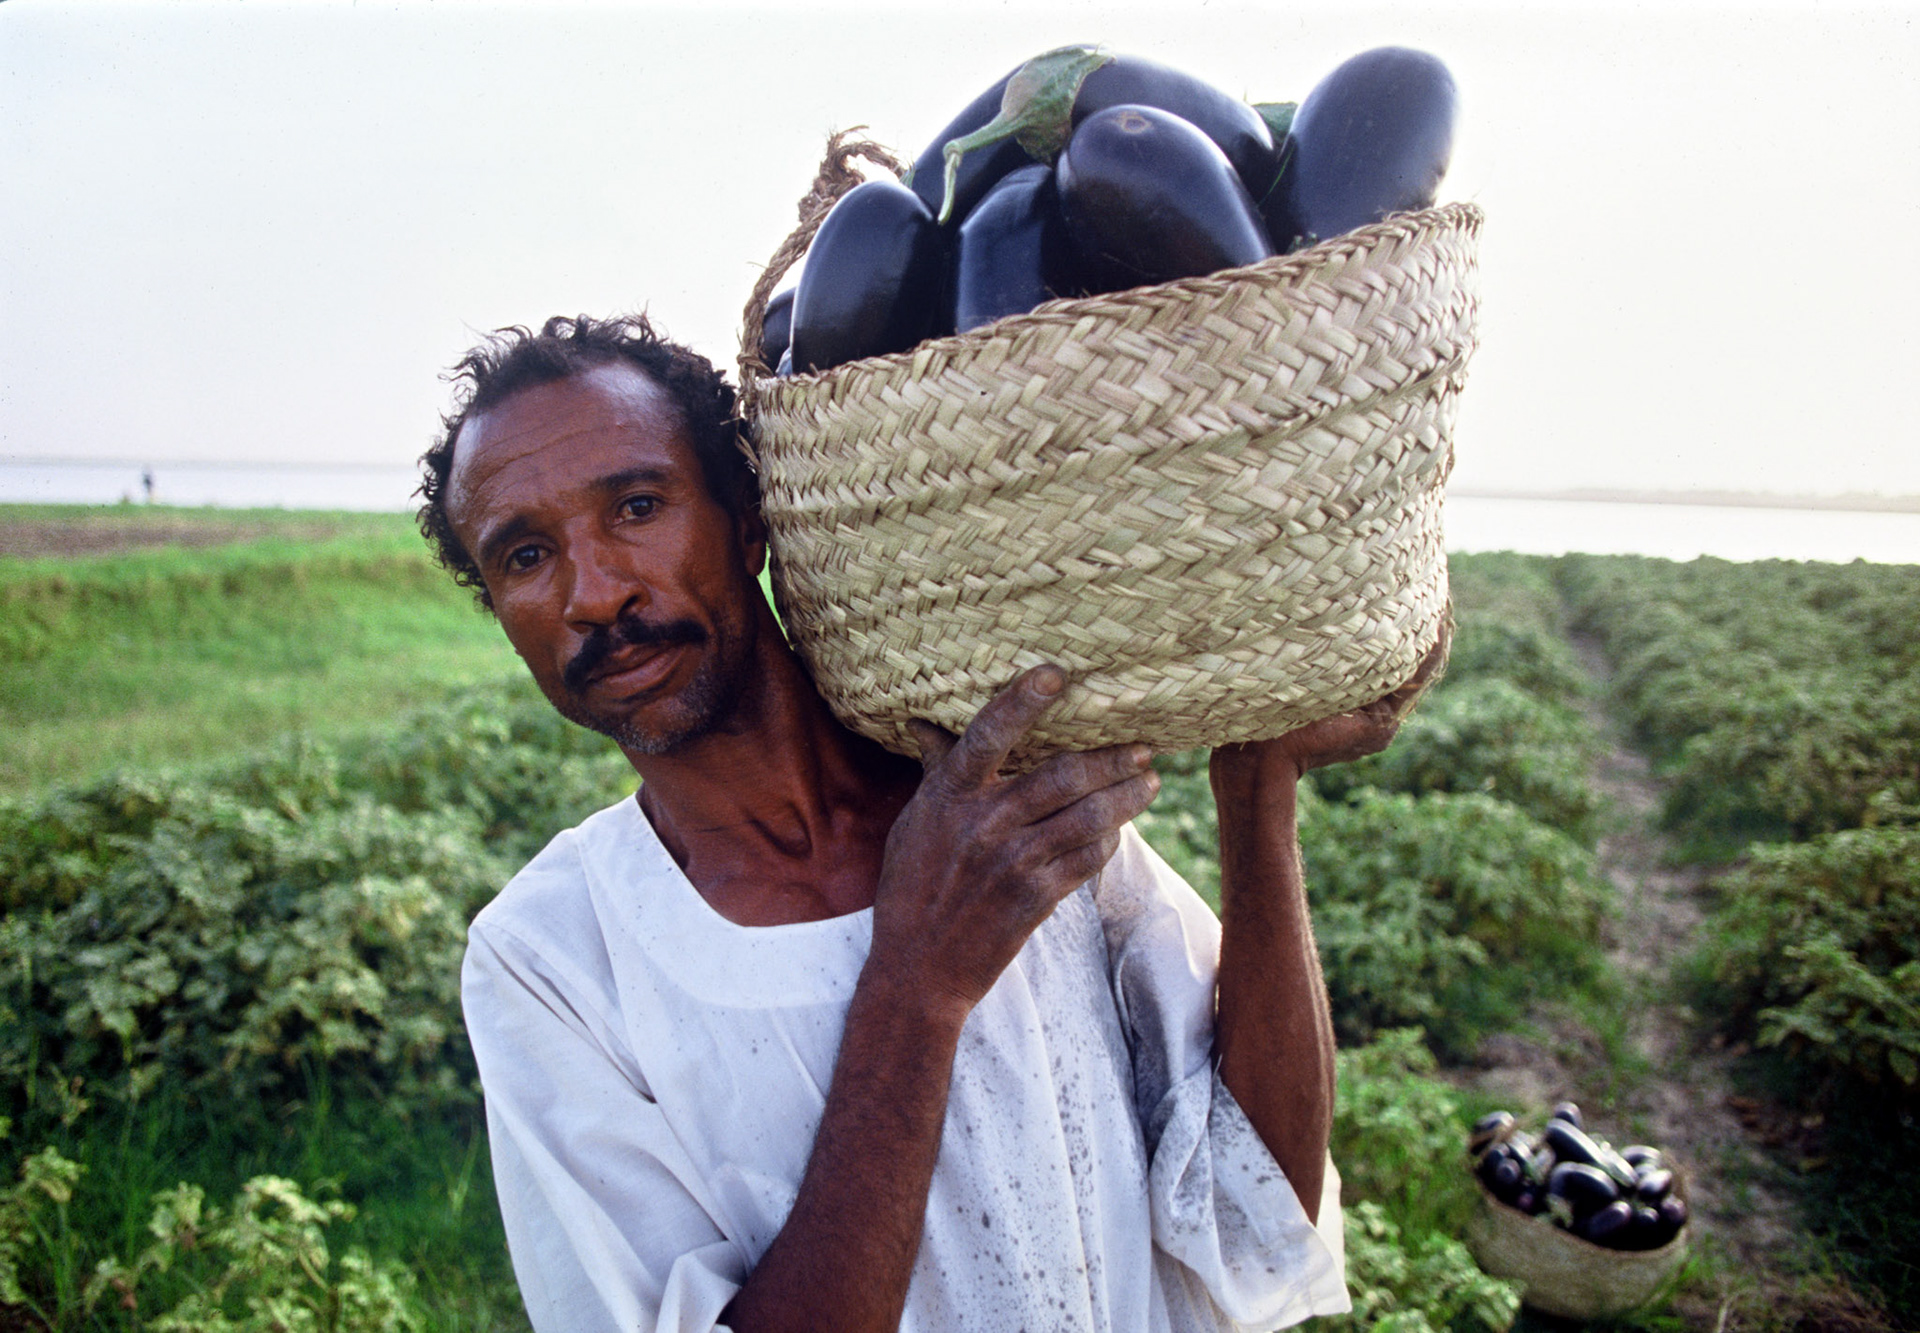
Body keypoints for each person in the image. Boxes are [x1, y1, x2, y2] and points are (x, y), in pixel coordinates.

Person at [419, 312, 1436, 1333]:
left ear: (748, 517)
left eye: (637, 505)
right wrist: (917, 982)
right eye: (523, 555)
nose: (593, 592)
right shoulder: (550, 957)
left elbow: (1262, 1200)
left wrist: (1256, 786)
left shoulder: (994, 802)